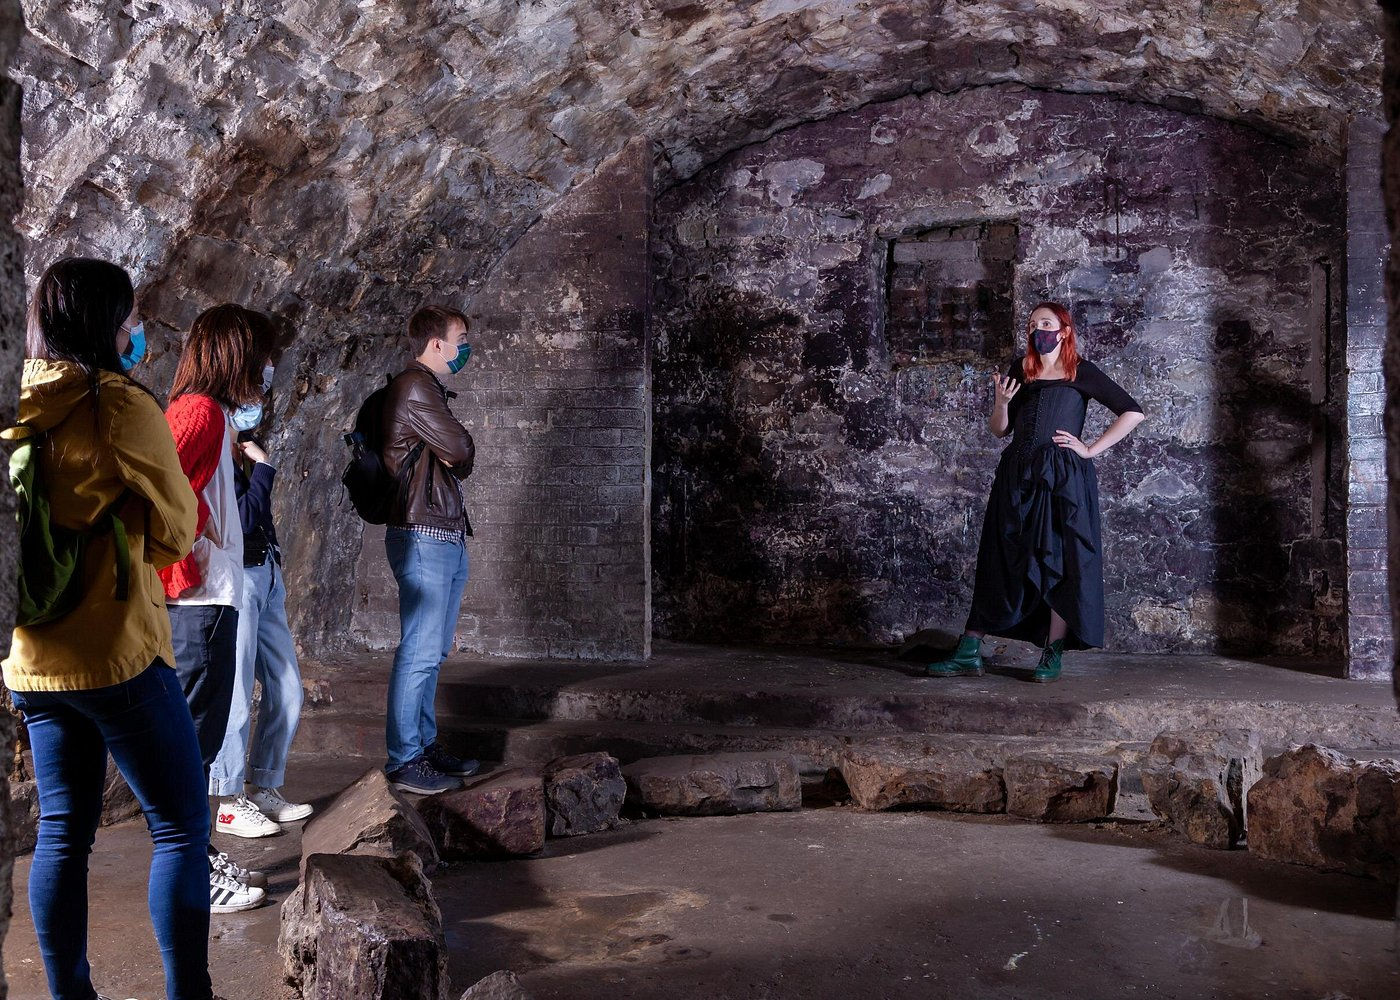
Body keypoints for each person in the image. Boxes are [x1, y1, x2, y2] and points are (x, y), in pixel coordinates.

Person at [4, 257, 219, 999]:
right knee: (181, 827)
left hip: (31, 656)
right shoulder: (117, 404)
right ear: (107, 324)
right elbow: (178, 532)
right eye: (130, 319)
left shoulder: (16, 399)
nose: (137, 331)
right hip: (116, 653)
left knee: (62, 832)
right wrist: (129, 525)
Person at [927, 302, 1145, 682]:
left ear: (1064, 331)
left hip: (1062, 479)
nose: (1037, 330)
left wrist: (1090, 449)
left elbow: (1132, 411)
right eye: (1032, 325)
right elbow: (1000, 430)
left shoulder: (1081, 371)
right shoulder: (1021, 370)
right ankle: (969, 650)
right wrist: (1001, 403)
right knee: (999, 554)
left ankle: (1052, 652)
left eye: (1045, 323)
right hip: (1017, 475)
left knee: (1060, 559)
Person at [160, 304, 274, 912]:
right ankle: (192, 871)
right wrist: (191, 550)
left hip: (209, 594)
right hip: (197, 599)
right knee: (191, 745)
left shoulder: (212, 414)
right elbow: (156, 490)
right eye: (262, 356)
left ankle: (198, 855)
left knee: (199, 744)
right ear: (237, 353)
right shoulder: (200, 412)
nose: (267, 368)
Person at [207, 357, 314, 838]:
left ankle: (265, 785)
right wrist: (265, 470)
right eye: (258, 378)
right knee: (235, 694)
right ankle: (229, 802)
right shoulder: (219, 447)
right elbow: (242, 520)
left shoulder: (240, 446)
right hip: (240, 580)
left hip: (267, 574)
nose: (263, 392)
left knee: (287, 688)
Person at [379, 305, 481, 794]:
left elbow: (456, 458)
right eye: (460, 340)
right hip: (424, 534)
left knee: (433, 650)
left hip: (441, 531)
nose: (465, 349)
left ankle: (423, 744)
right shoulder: (416, 387)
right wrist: (458, 447)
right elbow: (460, 450)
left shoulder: (428, 388)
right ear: (437, 343)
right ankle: (405, 759)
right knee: (420, 651)